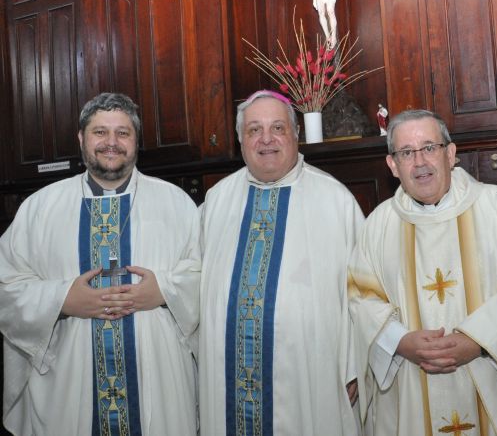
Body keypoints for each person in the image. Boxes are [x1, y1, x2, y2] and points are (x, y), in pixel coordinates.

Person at [0, 93, 201, 435]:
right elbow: (7, 285)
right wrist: (62, 300)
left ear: (136, 141)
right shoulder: (40, 208)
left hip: (159, 378)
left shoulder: (177, 203)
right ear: (81, 138)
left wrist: (165, 291)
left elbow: (209, 276)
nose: (111, 142)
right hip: (68, 381)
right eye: (100, 132)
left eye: (122, 133)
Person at [348, 109, 497, 435]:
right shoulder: (378, 225)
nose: (420, 162)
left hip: (492, 377)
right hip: (411, 385)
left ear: (450, 154)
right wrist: (400, 341)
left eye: (429, 148)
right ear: (393, 165)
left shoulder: (496, 206)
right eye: (406, 153)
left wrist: (477, 340)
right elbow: (361, 301)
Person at [198, 90, 364, 435]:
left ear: (296, 134)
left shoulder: (336, 200)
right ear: (240, 140)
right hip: (227, 379)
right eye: (254, 130)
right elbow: (190, 282)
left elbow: (364, 292)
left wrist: (355, 365)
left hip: (310, 377)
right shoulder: (216, 201)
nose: (266, 139)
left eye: (277, 128)